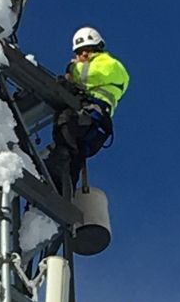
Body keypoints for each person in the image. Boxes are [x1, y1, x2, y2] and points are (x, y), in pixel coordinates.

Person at [48, 26, 130, 191]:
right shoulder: (115, 67)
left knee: (65, 123)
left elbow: (87, 75)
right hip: (96, 124)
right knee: (75, 156)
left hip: (89, 115)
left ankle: (58, 174)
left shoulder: (104, 64)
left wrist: (71, 70)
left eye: (82, 52)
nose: (80, 57)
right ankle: (64, 188)